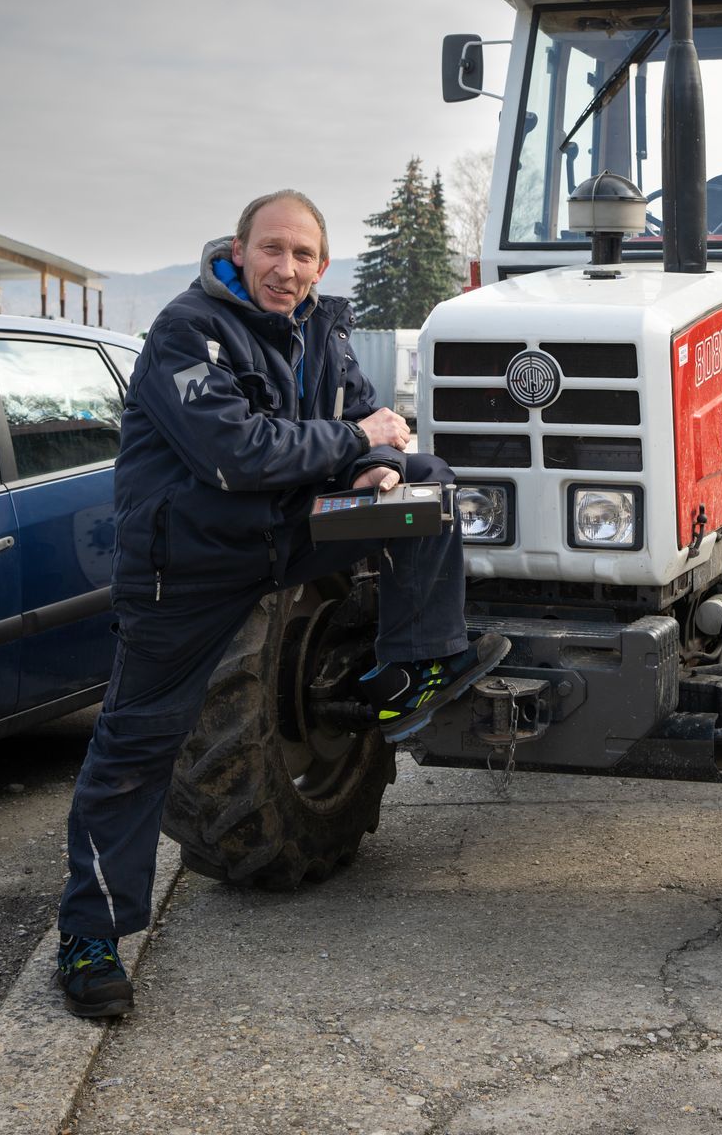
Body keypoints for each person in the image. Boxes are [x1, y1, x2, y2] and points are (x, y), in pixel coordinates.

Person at [54, 190, 506, 1019]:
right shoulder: (189, 330)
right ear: (239, 249)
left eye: (303, 256)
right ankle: (90, 936)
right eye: (272, 250)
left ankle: (416, 666)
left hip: (285, 536)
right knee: (133, 751)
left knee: (423, 482)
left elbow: (366, 425)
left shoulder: (322, 333)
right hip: (187, 570)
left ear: (321, 265)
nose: (286, 269)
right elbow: (235, 454)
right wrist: (355, 445)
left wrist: (373, 466)